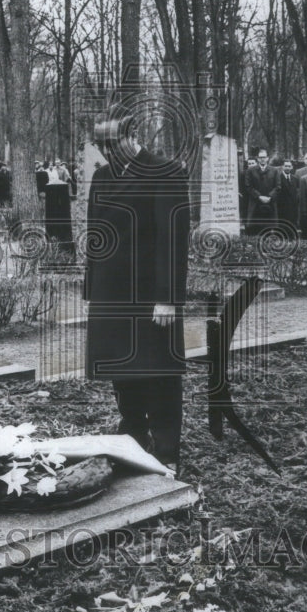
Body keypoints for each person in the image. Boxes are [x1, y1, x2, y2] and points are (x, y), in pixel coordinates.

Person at [84, 113, 190, 471]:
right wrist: (91, 288)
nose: (107, 153)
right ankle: (133, 432)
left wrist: (168, 297)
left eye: (112, 145)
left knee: (159, 370)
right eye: (102, 147)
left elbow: (172, 239)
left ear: (133, 136)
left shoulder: (166, 171)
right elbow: (95, 235)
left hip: (151, 295)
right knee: (122, 366)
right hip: (111, 292)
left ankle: (165, 449)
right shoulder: (102, 177)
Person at [245, 149, 279, 235]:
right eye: (260, 157)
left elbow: (278, 186)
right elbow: (248, 186)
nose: (262, 159)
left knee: (269, 230)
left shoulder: (274, 170)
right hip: (256, 203)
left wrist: (270, 197)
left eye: (264, 157)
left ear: (267, 158)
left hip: (270, 203)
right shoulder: (250, 171)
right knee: (255, 230)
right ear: (257, 159)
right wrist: (259, 196)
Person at [275, 159, 299, 241]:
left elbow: (296, 193)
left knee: (291, 227)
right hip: (281, 208)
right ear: (282, 167)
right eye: (286, 166)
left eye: (289, 166)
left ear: (292, 167)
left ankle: (291, 241)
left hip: (292, 208)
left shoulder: (295, 179)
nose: (287, 168)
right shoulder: (278, 178)